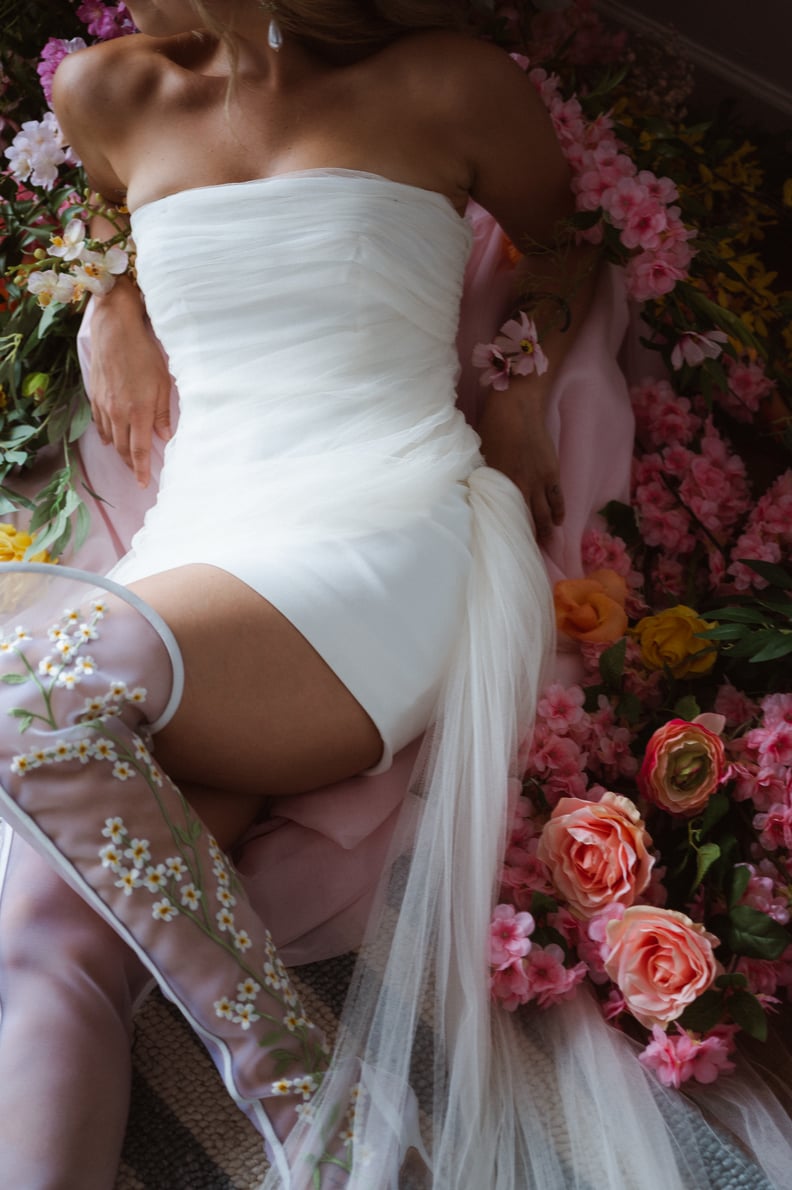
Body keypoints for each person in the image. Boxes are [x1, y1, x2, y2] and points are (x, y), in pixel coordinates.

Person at [0, 3, 790, 1188]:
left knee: (33, 686)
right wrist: (110, 289)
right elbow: (117, 226)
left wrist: (519, 390)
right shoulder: (106, 93)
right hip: (194, 556)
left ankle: (313, 1103)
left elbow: (570, 247)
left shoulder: (449, 85)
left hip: (375, 534)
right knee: (44, 943)